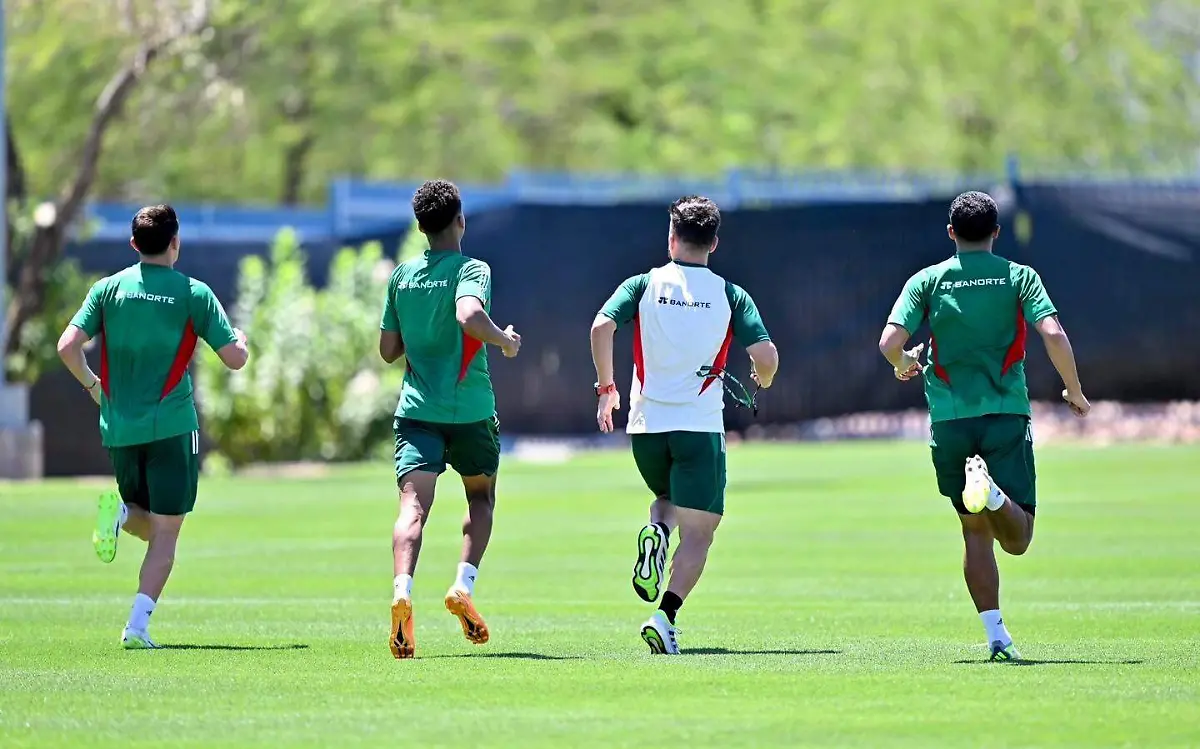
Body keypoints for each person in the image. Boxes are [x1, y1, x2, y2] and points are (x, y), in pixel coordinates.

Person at [878, 190, 1090, 662]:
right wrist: (1073, 390)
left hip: (950, 422)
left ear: (951, 233)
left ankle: (996, 635)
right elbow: (1052, 332)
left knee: (974, 532)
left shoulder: (928, 280)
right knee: (1018, 540)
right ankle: (994, 493)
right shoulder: (1019, 276)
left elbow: (890, 341)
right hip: (1004, 415)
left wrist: (904, 362)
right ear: (996, 232)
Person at [590, 195, 778, 654]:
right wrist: (763, 379)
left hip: (645, 427)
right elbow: (766, 357)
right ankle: (665, 615)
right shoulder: (731, 294)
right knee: (701, 531)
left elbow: (600, 327)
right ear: (714, 242)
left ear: (671, 237)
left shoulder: (643, 283)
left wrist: (607, 389)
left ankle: (657, 531)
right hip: (698, 428)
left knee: (667, 499)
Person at [56, 204, 250, 649]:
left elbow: (67, 345)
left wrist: (93, 388)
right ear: (175, 242)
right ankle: (136, 627)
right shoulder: (193, 293)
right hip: (172, 427)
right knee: (166, 532)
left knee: (147, 521)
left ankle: (121, 513)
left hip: (119, 427)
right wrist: (241, 341)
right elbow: (234, 360)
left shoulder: (107, 289)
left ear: (133, 245)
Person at [379, 179, 521, 660]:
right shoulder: (471, 267)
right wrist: (503, 340)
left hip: (417, 412)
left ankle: (402, 590)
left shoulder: (402, 277)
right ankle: (462, 584)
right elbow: (468, 315)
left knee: (412, 509)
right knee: (480, 497)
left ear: (420, 226)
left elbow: (387, 350)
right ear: (460, 220)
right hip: (470, 412)